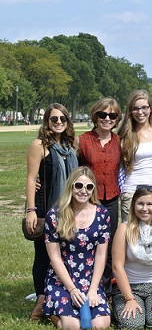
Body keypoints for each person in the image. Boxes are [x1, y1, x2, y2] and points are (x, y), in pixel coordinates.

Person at [25, 103, 78, 321]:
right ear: (47, 121)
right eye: (54, 119)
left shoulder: (70, 146)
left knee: (63, 255)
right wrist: (31, 210)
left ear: (67, 122)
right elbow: (30, 179)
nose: (58, 123)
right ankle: (41, 300)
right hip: (45, 209)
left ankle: (56, 297)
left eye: (62, 119)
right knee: (44, 256)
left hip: (69, 209)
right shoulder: (39, 145)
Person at [42, 166, 111, 329]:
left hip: (89, 277)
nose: (83, 191)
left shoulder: (102, 214)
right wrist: (72, 290)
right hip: (62, 279)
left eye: (89, 187)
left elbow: (101, 256)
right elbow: (55, 258)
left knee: (100, 325)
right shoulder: (55, 215)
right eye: (78, 186)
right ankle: (53, 314)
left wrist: (93, 289)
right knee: (72, 326)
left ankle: (61, 310)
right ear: (71, 187)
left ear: (93, 189)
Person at [112, 184, 152, 329]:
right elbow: (117, 267)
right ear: (133, 204)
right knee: (132, 324)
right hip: (129, 287)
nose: (144, 208)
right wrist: (129, 298)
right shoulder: (124, 228)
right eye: (140, 203)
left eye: (150, 204)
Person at [76, 97, 122, 295]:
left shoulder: (118, 141)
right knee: (87, 242)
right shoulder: (83, 140)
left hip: (111, 198)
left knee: (109, 244)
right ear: (95, 116)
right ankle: (83, 284)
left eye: (112, 115)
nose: (107, 118)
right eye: (103, 114)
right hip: (88, 199)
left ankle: (106, 290)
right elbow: (70, 167)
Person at [117, 89, 152, 222]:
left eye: (144, 107)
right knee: (131, 238)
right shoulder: (124, 135)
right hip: (132, 192)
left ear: (150, 109)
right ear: (130, 111)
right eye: (135, 108)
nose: (140, 112)